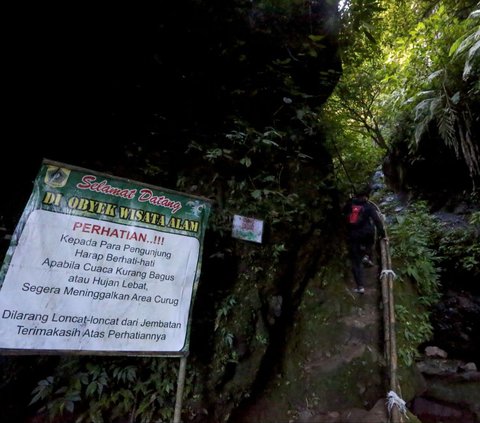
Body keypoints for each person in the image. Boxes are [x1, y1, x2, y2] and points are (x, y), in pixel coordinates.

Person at [343, 184, 386, 294]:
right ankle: (367, 255)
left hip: (353, 235)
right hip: (366, 233)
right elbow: (377, 221)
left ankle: (360, 286)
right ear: (366, 196)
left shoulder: (350, 204)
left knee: (356, 262)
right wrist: (383, 234)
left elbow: (344, 214)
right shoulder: (368, 206)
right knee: (370, 236)